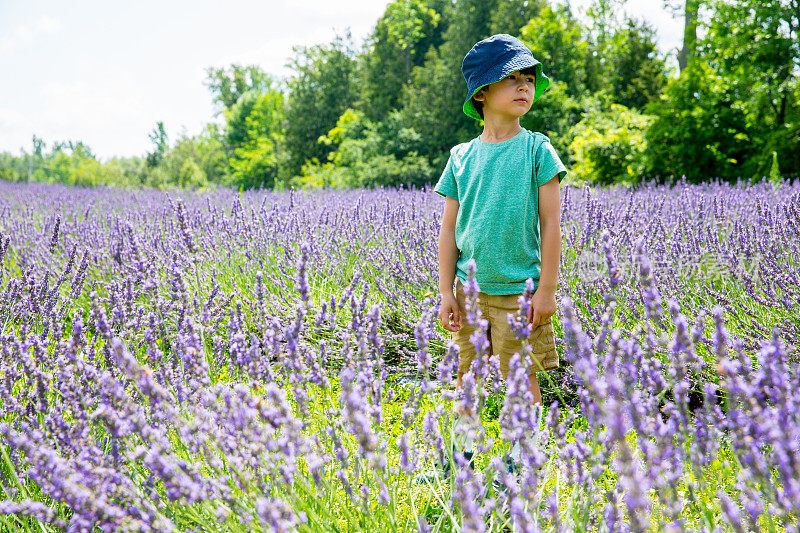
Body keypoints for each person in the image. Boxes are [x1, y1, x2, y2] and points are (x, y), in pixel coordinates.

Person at [434, 34, 566, 475]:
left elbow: (551, 225)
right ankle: (462, 458)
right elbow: (449, 229)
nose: (524, 87)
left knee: (521, 377)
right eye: (512, 79)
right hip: (469, 293)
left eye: (529, 79)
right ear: (482, 93)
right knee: (466, 381)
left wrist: (546, 290)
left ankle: (524, 459)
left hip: (519, 292)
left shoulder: (537, 150)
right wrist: (445, 291)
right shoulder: (460, 157)